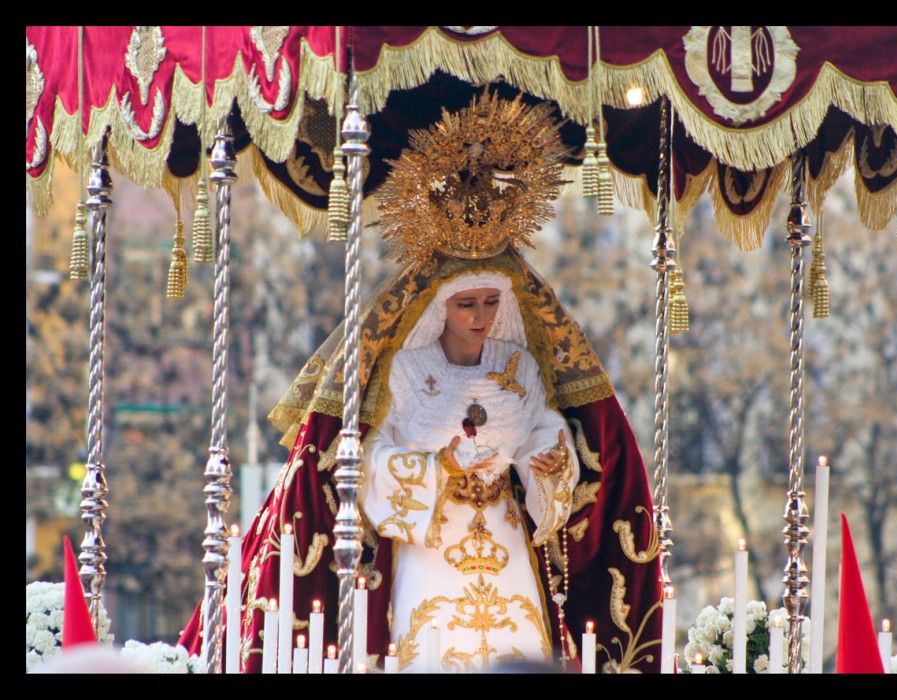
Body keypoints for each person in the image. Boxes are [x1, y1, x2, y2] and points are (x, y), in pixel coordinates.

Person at [180, 91, 663, 673]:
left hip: (506, 535)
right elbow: (370, 457)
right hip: (431, 541)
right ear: (440, 308)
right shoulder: (405, 372)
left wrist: (547, 462)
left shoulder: (521, 366)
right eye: (466, 304)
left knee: (518, 643)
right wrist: (438, 468)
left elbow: (546, 428)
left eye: (490, 303)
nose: (480, 317)